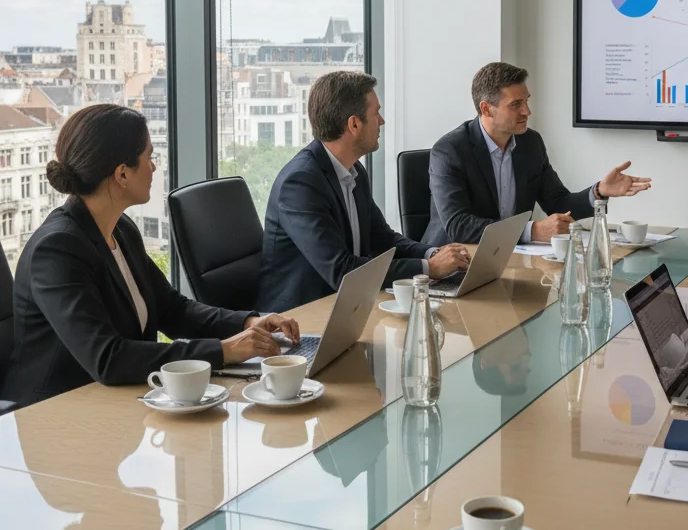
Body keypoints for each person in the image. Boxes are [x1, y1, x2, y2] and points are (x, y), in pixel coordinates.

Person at [2, 105, 297, 409]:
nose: (154, 167)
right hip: (55, 413)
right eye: (148, 157)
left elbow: (172, 309)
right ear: (122, 173)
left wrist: (248, 322)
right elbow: (108, 358)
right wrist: (223, 350)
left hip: (115, 400)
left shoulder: (122, 230)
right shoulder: (57, 250)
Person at [257, 72, 469, 312]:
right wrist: (429, 269)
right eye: (376, 113)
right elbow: (341, 270)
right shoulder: (301, 183)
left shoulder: (354, 170)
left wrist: (434, 253)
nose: (382, 121)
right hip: (299, 316)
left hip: (348, 305)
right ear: (354, 124)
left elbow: (384, 239)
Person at [423, 61, 651, 246]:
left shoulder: (530, 143)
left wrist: (598, 191)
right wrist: (532, 231)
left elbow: (557, 203)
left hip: (510, 257)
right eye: (516, 104)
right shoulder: (450, 151)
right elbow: (459, 226)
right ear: (486, 109)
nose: (527, 111)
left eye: (526, 101)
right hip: (454, 263)